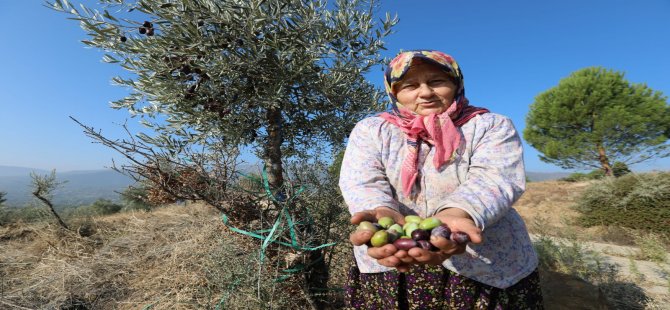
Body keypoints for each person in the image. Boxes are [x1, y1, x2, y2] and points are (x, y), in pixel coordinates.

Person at [339, 50, 543, 309]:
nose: (424, 93)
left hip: (484, 267)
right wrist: (382, 210)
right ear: (394, 92)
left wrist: (459, 213)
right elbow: (362, 180)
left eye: (436, 82)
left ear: (456, 83)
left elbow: (495, 177)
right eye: (411, 85)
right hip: (392, 264)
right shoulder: (372, 130)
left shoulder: (491, 125)